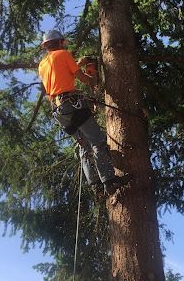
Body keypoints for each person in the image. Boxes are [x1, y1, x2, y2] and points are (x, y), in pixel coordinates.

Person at [37, 30, 130, 196]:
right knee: (97, 141)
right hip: (72, 105)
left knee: (83, 145)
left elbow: (59, 77)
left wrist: (78, 63)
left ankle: (94, 184)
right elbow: (83, 79)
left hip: (58, 111)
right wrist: (92, 76)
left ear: (46, 46)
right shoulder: (63, 54)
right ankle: (109, 181)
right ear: (60, 42)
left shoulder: (42, 65)